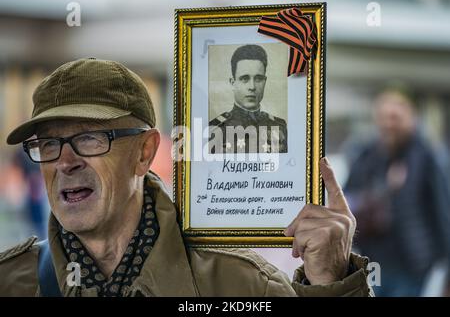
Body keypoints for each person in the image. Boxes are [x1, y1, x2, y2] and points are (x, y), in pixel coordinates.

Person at [0, 58, 371, 297]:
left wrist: (331, 283)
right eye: (48, 143)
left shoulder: (240, 286)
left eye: (88, 138)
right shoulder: (12, 281)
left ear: (144, 153)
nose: (65, 161)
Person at [344, 87, 450, 297]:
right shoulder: (366, 155)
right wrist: (385, 188)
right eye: (384, 117)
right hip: (373, 260)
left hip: (413, 263)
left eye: (396, 118)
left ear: (411, 118)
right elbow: (347, 201)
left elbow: (442, 211)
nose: (389, 124)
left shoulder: (426, 156)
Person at [209, 44, 287, 154]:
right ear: (233, 83)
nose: (252, 87)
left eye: (258, 79)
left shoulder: (280, 127)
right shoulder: (215, 129)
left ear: (265, 81)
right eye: (244, 79)